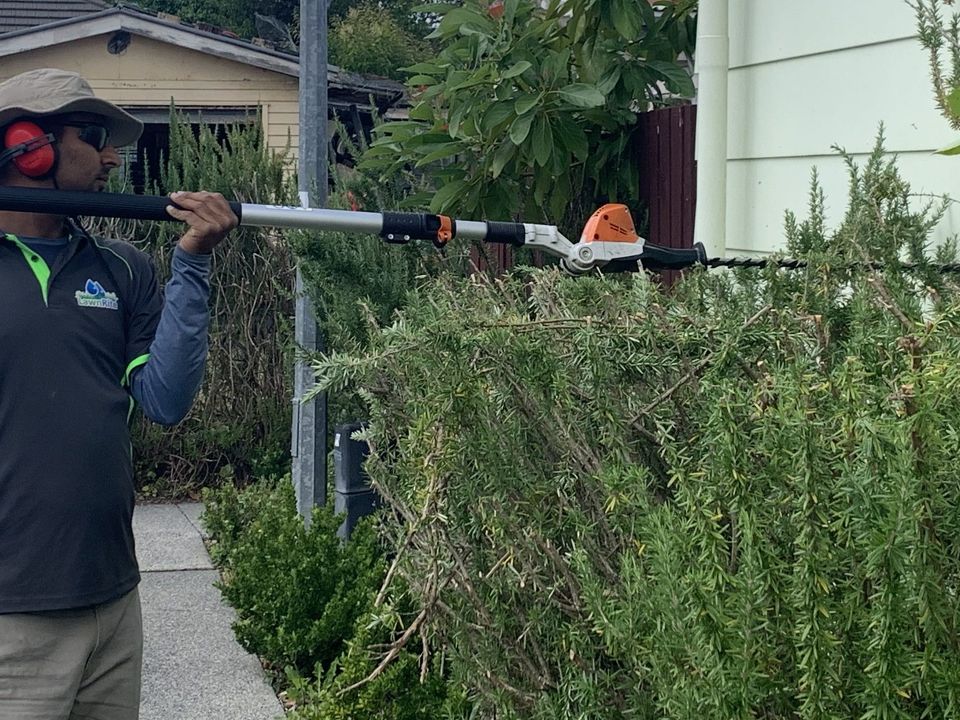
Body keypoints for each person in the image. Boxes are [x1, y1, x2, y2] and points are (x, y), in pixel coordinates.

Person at [0, 68, 238, 719]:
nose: (112, 156)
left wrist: (192, 262)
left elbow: (165, 399)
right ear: (28, 144)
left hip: (112, 602)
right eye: (94, 135)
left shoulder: (120, 266)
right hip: (10, 620)